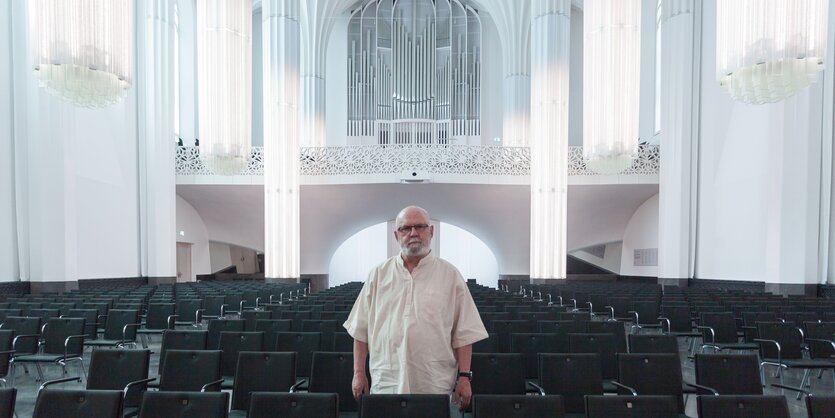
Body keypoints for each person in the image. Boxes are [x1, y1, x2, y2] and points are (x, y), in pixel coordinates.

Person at [343, 205, 488, 411]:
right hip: (387, 379)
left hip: (433, 381)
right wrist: (358, 372)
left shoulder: (450, 275)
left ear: (431, 231)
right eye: (405, 228)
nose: (413, 233)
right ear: (396, 235)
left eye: (419, 227)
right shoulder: (378, 274)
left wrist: (464, 376)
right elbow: (360, 330)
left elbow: (463, 333)